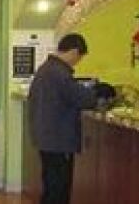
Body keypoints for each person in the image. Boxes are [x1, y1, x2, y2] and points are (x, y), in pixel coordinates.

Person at [27, 33, 98, 204]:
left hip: (46, 138)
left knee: (51, 185)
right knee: (59, 189)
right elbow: (84, 99)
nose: (77, 62)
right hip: (59, 140)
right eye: (79, 58)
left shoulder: (45, 69)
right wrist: (98, 92)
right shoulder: (60, 73)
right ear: (74, 51)